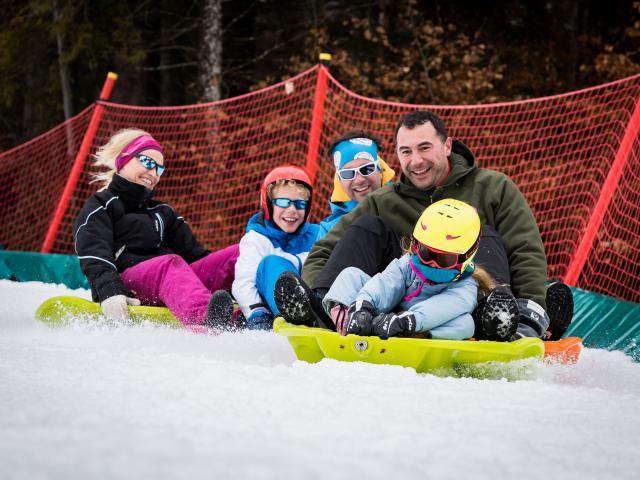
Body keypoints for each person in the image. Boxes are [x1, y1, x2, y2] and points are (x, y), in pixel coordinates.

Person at [275, 111, 573, 341]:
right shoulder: (384, 201)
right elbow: (321, 253)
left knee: (482, 233)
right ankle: (326, 310)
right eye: (406, 152)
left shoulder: (493, 188)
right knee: (367, 227)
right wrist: (318, 291)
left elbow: (525, 250)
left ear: (447, 146)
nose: (415, 160)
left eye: (424, 148)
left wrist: (530, 307)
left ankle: (498, 320)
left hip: (463, 307)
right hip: (395, 307)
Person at [73, 128, 239, 329]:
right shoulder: (102, 205)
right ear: (124, 159)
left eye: (159, 169)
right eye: (148, 163)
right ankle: (207, 320)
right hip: (129, 283)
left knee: (239, 253)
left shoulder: (163, 211)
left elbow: (196, 258)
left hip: (171, 281)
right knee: (169, 263)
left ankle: (260, 312)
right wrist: (110, 289)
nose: (153, 174)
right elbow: (94, 253)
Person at [325, 199, 521, 341]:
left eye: (444, 258)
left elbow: (440, 309)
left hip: (418, 325)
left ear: (466, 255)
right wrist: (364, 306)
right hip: (383, 317)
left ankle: (415, 339)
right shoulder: (408, 263)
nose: (432, 263)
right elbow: (386, 283)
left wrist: (407, 322)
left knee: (464, 325)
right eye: (427, 253)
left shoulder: (465, 286)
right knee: (350, 275)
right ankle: (345, 322)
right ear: (416, 245)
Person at [208, 165, 320, 331]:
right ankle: (225, 325)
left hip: (312, 306)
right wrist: (257, 314)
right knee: (270, 265)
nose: (292, 210)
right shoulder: (256, 239)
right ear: (268, 204)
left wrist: (293, 261)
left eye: (299, 204)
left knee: (279, 264)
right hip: (269, 313)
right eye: (283, 202)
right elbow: (244, 283)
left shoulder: (318, 235)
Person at [316, 132, 395, 240]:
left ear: (380, 170)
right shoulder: (331, 230)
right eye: (348, 173)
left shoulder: (405, 206)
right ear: (339, 180)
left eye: (366, 169)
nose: (359, 180)